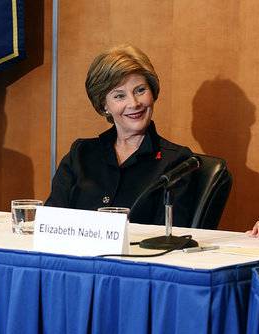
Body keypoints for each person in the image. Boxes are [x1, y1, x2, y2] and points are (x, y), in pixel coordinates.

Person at [45, 44, 196, 226]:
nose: (134, 103)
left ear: (153, 92)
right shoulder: (80, 153)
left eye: (140, 90)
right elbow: (50, 224)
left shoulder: (178, 162)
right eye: (119, 96)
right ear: (104, 105)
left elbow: (168, 237)